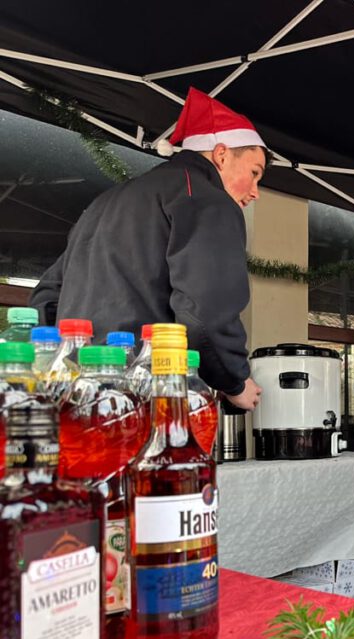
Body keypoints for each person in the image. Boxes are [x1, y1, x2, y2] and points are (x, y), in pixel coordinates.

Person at [31, 87, 263, 410]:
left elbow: (45, 298)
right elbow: (205, 316)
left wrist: (61, 361)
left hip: (75, 393)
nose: (255, 192)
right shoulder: (208, 200)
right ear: (221, 155)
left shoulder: (105, 202)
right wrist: (234, 379)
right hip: (144, 393)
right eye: (254, 173)